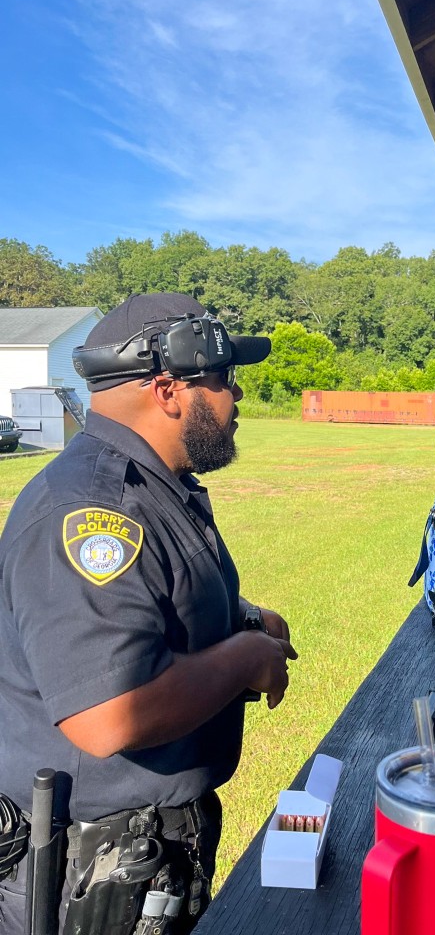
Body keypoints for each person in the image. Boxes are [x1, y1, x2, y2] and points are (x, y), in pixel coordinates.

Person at [0, 293, 298, 934]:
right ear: (168, 390)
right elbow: (105, 714)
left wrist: (245, 620)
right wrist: (244, 658)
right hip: (94, 870)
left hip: (142, 849)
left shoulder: (154, 485)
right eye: (223, 379)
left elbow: (157, 604)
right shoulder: (89, 511)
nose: (237, 397)